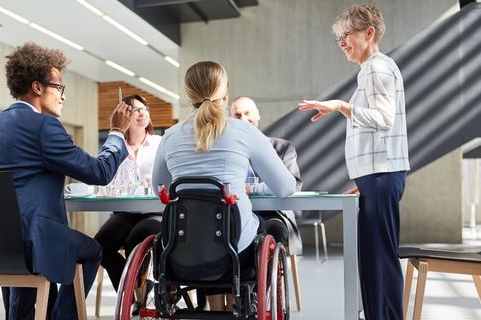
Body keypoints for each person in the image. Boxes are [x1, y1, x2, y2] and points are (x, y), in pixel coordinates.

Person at [0, 42, 134, 320]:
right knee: (93, 251)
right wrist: (118, 133)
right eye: (59, 88)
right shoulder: (43, 127)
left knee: (25, 246)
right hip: (30, 245)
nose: (63, 97)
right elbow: (99, 172)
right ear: (38, 87)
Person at [152, 61, 297, 311]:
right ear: (226, 94)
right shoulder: (244, 132)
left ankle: (218, 308)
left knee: (208, 230)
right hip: (235, 251)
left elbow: (160, 190)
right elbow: (285, 187)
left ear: (189, 97)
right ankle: (238, 304)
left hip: (182, 248)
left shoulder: (170, 137)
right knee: (270, 227)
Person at [298, 4, 410, 320]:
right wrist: (361, 180)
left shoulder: (376, 67)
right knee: (373, 256)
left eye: (346, 35)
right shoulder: (374, 69)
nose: (342, 43)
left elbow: (383, 119)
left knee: (380, 257)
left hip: (382, 176)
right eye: (339, 39)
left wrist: (340, 107)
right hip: (374, 176)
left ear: (368, 32)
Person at [94, 94, 162, 291]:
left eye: (144, 109)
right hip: (124, 212)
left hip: (154, 212)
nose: (141, 113)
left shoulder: (159, 143)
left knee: (135, 241)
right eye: (134, 110)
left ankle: (138, 293)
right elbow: (106, 179)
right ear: (124, 116)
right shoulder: (116, 145)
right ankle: (129, 292)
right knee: (99, 248)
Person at [230, 96, 303, 255]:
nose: (243, 119)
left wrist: (251, 188)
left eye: (247, 113)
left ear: (257, 114)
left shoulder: (282, 148)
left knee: (273, 229)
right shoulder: (229, 152)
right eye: (237, 115)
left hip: (273, 214)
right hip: (237, 214)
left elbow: (294, 185)